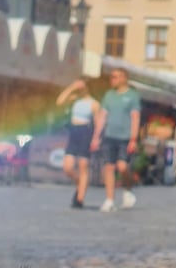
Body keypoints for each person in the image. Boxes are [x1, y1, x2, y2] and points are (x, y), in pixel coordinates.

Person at [90, 67, 141, 212]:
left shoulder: (132, 96)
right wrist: (96, 137)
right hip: (109, 135)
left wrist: (133, 139)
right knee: (109, 167)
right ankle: (109, 199)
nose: (112, 79)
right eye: (111, 77)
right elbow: (102, 116)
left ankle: (128, 189)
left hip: (125, 137)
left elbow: (135, 117)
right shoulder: (109, 96)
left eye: (116, 77)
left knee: (122, 167)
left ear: (124, 78)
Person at [56, 78, 100, 208]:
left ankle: (79, 199)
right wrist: (71, 87)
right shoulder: (75, 99)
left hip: (85, 132)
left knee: (83, 165)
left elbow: (98, 122)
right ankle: (80, 184)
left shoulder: (94, 103)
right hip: (74, 131)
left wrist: (96, 139)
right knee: (68, 167)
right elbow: (59, 102)